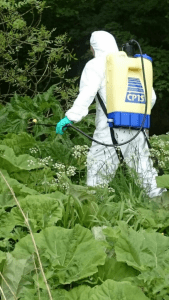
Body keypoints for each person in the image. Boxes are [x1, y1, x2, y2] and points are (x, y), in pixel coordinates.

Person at [56, 30, 167, 198]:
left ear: (94, 48)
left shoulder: (97, 64)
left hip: (110, 127)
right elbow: (151, 98)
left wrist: (70, 117)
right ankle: (161, 208)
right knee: (145, 171)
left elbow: (88, 93)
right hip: (139, 128)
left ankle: (93, 209)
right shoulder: (135, 65)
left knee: (98, 171)